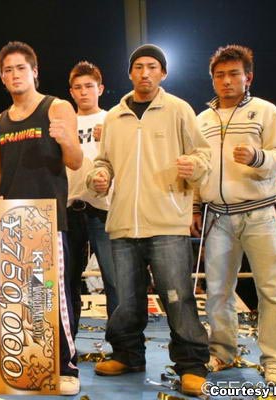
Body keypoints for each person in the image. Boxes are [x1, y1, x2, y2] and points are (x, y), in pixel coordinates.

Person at [86, 44, 211, 397]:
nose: (145, 73)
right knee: (125, 298)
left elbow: (203, 155)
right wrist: (100, 175)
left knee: (177, 298)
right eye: (138, 67)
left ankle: (191, 365)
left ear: (163, 73)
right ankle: (127, 354)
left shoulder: (179, 110)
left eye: (152, 67)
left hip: (168, 222)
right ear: (130, 74)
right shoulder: (113, 116)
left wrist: (196, 166)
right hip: (123, 221)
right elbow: (104, 161)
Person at [191, 44, 276, 385]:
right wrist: (194, 206)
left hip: (260, 213)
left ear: (248, 77)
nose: (226, 80)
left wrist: (257, 158)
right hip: (217, 216)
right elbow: (197, 166)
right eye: (219, 75)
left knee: (271, 290)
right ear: (212, 80)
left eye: (234, 73)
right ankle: (222, 351)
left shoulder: (265, 112)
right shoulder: (202, 119)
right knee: (218, 290)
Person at [0, 41, 83, 395]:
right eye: (7, 70)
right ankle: (21, 362)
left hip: (47, 220)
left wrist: (66, 139)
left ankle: (65, 365)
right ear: (1, 76)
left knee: (48, 297)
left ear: (34, 71)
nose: (14, 75)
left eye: (20, 68)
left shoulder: (57, 107)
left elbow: (74, 161)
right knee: (12, 298)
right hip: (11, 222)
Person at [66, 61, 116, 330]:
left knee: (113, 279)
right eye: (77, 87)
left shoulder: (113, 119)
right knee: (67, 279)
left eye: (89, 86)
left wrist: (111, 138)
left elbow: (129, 160)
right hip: (70, 205)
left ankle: (122, 348)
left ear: (101, 88)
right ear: (71, 92)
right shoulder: (63, 122)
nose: (83, 92)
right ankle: (66, 344)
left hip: (105, 207)